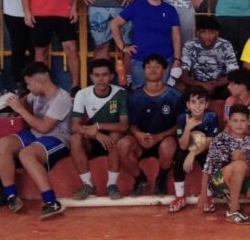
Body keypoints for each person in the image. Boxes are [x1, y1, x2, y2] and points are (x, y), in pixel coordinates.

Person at [0, 61, 73, 220]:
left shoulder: (61, 98)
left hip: (57, 138)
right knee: (3, 144)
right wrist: (18, 103)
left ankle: (51, 201)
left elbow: (45, 128)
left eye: (29, 84)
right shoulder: (37, 93)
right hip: (35, 133)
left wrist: (20, 110)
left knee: (26, 154)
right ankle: (11, 196)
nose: (28, 87)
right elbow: (26, 99)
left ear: (40, 82)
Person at [197, 104, 250, 224]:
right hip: (219, 180)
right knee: (239, 164)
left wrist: (243, 162)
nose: (239, 124)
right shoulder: (219, 139)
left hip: (241, 178)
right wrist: (203, 194)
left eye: (242, 121)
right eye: (235, 120)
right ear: (229, 122)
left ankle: (232, 197)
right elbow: (208, 168)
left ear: (248, 122)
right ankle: (233, 211)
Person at [116, 55, 184, 196]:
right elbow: (131, 124)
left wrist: (160, 136)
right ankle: (140, 178)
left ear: (165, 70)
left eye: (157, 66)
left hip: (164, 139)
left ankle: (162, 178)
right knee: (122, 144)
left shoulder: (175, 95)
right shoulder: (135, 96)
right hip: (141, 141)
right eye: (148, 67)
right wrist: (138, 134)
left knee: (169, 146)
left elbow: (180, 124)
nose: (152, 70)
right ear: (143, 70)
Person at [69, 59, 129, 201]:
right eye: (96, 75)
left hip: (112, 140)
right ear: (91, 77)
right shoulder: (82, 94)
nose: (101, 79)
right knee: (75, 138)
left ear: (111, 76)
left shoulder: (121, 93)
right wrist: (96, 134)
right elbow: (74, 126)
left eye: (104, 75)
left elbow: (124, 126)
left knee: (115, 135)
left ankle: (112, 185)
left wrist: (97, 127)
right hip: (92, 140)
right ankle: (87, 184)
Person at [110, 0, 182, 87]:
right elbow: (114, 24)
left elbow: (176, 36)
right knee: (140, 96)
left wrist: (177, 60)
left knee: (162, 96)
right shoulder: (136, 6)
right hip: (140, 61)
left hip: (164, 61)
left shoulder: (170, 10)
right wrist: (122, 46)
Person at [169, 85, 220, 213]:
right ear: (188, 104)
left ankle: (208, 197)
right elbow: (182, 145)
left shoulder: (212, 117)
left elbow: (210, 140)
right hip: (187, 146)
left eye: (201, 102)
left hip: (203, 148)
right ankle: (180, 197)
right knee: (179, 156)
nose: (197, 106)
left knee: (209, 157)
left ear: (207, 104)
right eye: (193, 102)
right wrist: (187, 128)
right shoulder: (182, 118)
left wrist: (193, 154)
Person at [180, 14, 239, 99]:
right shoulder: (189, 45)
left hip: (220, 84)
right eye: (203, 32)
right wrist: (202, 85)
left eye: (211, 32)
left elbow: (234, 73)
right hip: (196, 84)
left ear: (217, 33)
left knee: (235, 88)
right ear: (197, 33)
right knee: (179, 88)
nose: (207, 36)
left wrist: (215, 84)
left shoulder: (225, 45)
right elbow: (184, 75)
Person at [224, 68, 250, 138]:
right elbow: (227, 125)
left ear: (243, 86)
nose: (228, 87)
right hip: (231, 135)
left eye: (232, 84)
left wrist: (240, 130)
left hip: (248, 136)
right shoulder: (229, 100)